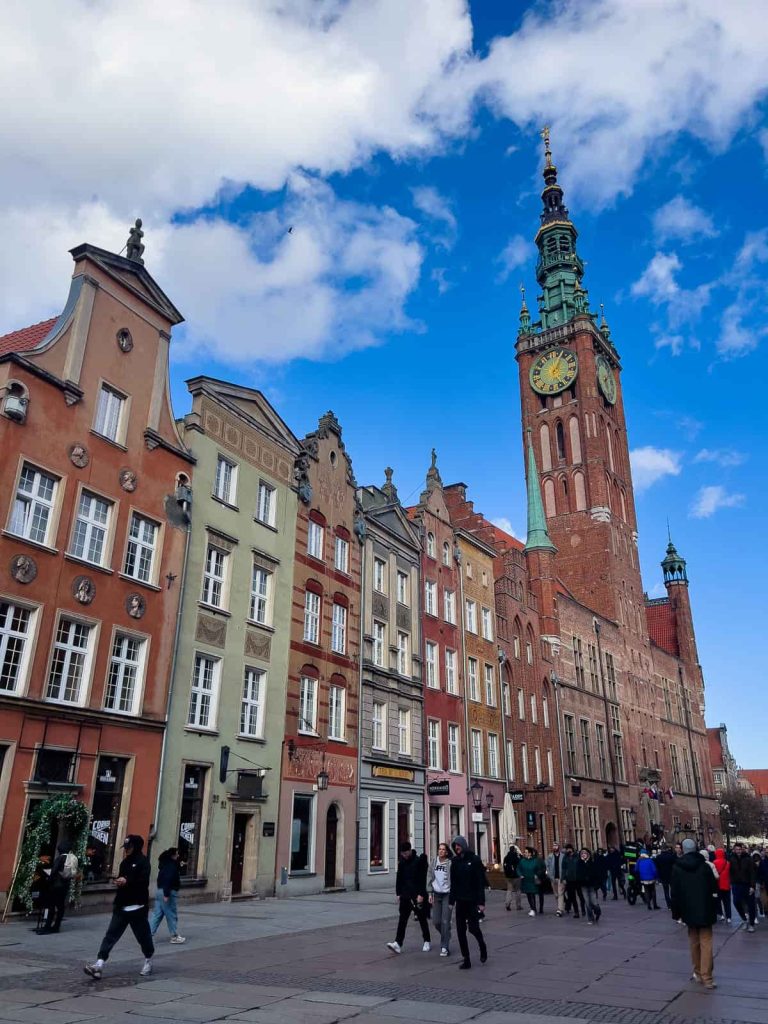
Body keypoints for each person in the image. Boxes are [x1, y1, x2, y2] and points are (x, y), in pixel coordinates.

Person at [84, 835, 154, 980]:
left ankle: (148, 960)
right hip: (122, 906)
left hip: (137, 907)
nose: (126, 850)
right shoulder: (124, 862)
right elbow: (123, 878)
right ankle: (99, 964)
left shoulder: (143, 862)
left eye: (129, 847)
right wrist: (120, 882)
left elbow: (143, 882)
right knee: (110, 935)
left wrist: (127, 881)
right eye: (126, 847)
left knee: (143, 936)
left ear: (136, 847)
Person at [671, 838, 718, 990]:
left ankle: (697, 972)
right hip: (705, 909)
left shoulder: (677, 867)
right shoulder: (704, 866)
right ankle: (707, 977)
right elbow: (713, 889)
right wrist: (715, 907)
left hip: (688, 910)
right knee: (706, 942)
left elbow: (675, 893)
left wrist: (676, 913)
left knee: (694, 942)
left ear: (683, 850)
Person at [448, 836, 487, 970]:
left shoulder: (474, 859)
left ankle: (482, 945)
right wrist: (451, 901)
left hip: (472, 900)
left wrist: (481, 902)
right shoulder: (455, 861)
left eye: (458, 845)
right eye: (455, 846)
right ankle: (466, 958)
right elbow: (453, 883)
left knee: (473, 928)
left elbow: (480, 882)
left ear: (463, 845)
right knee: (460, 931)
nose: (457, 848)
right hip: (460, 901)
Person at [386, 842, 430, 954]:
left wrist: (421, 894)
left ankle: (427, 940)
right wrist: (398, 893)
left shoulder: (418, 861)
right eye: (402, 854)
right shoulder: (402, 863)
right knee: (402, 920)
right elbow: (399, 878)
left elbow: (422, 879)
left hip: (417, 895)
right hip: (405, 895)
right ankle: (398, 943)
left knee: (422, 919)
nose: (404, 856)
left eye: (405, 853)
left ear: (410, 850)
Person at [149, 848, 186, 944]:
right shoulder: (171, 866)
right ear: (172, 855)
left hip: (159, 891)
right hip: (168, 892)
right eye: (177, 854)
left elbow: (162, 879)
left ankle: (148, 935)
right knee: (171, 914)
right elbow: (168, 879)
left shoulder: (164, 865)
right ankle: (174, 936)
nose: (178, 856)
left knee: (157, 914)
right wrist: (166, 894)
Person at [40, 842, 77, 933]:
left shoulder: (60, 858)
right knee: (60, 906)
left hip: (56, 885)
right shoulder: (70, 859)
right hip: (65, 885)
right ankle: (57, 926)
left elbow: (54, 871)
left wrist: (49, 879)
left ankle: (47, 926)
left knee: (51, 906)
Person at [427, 842, 453, 957]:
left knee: (445, 921)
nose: (441, 851)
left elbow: (454, 879)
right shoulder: (434, 862)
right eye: (439, 849)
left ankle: (444, 947)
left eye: (443, 849)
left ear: (447, 852)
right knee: (436, 921)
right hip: (436, 895)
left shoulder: (450, 863)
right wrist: (429, 893)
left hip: (447, 895)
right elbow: (429, 877)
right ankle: (446, 934)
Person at [729, 842, 757, 932]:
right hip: (736, 885)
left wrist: (752, 886)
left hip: (747, 884)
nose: (738, 851)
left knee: (751, 904)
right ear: (734, 850)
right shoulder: (731, 858)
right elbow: (729, 871)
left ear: (742, 849)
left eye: (740, 849)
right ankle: (744, 919)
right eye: (737, 849)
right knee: (736, 902)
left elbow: (752, 873)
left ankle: (751, 924)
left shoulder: (748, 859)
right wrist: (731, 881)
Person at [518, 846, 545, 916]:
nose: (525, 853)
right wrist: (520, 875)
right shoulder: (522, 861)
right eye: (524, 852)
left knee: (533, 894)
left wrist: (537, 874)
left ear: (530, 853)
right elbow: (518, 868)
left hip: (533, 880)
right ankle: (533, 908)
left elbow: (540, 869)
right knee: (528, 894)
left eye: (526, 852)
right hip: (526, 880)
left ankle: (535, 909)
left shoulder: (535, 860)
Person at [578, 848, 602, 924]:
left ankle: (598, 910)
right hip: (583, 885)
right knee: (587, 902)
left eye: (585, 853)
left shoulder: (592, 862)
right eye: (582, 853)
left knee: (594, 902)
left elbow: (597, 873)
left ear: (588, 854)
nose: (583, 854)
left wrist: (597, 884)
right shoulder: (579, 863)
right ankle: (590, 918)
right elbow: (578, 874)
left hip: (592, 885)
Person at [545, 842, 567, 917]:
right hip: (553, 878)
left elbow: (565, 866)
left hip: (561, 878)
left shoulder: (563, 856)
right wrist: (548, 874)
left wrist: (565, 876)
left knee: (560, 893)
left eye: (556, 846)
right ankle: (560, 907)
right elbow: (547, 866)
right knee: (556, 894)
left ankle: (559, 909)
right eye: (554, 846)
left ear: (559, 847)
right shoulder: (550, 856)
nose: (554, 847)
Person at [564, 844, 585, 918]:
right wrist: (564, 878)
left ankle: (583, 909)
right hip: (569, 880)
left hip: (577, 879)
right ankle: (576, 912)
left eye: (569, 849)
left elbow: (582, 866)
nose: (568, 850)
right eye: (567, 849)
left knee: (580, 895)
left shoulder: (577, 856)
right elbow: (563, 868)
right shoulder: (565, 857)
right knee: (572, 896)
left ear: (572, 849)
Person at [712, 847, 731, 923]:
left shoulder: (714, 862)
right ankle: (728, 917)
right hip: (726, 885)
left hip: (718, 885)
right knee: (727, 902)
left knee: (718, 901)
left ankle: (721, 914)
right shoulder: (727, 863)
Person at [655, 845, 676, 911]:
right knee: (673, 890)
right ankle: (674, 903)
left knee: (666, 891)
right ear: (667, 849)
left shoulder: (658, 857)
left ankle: (669, 905)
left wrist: (658, 876)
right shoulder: (671, 856)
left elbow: (657, 867)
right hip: (671, 875)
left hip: (663, 876)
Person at [502, 843, 522, 912]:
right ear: (514, 850)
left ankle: (507, 904)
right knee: (518, 891)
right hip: (516, 876)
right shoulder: (517, 857)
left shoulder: (506, 857)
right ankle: (518, 905)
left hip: (508, 877)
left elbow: (504, 866)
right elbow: (521, 863)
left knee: (509, 890)